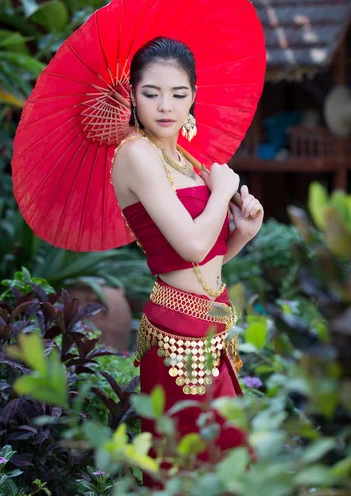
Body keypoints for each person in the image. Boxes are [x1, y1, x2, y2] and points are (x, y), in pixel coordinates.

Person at [110, 36, 264, 486]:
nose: (165, 106)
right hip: (178, 330)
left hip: (212, 322)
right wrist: (221, 191)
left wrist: (242, 234)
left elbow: (206, 258)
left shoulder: (187, 160)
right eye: (151, 93)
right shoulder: (136, 154)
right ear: (133, 96)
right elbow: (192, 248)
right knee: (194, 467)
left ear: (193, 96)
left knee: (229, 463)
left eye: (178, 94)